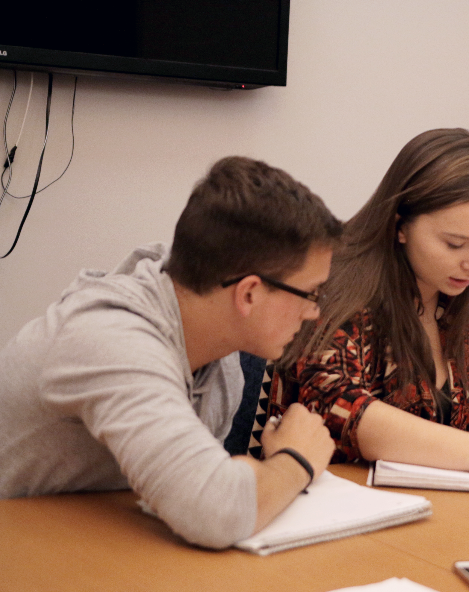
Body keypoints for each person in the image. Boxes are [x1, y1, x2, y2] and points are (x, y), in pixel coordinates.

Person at [0, 157, 342, 549]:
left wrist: (240, 483)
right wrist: (297, 459)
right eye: (310, 293)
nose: (314, 312)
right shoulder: (113, 339)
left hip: (86, 547)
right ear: (248, 293)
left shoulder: (219, 348)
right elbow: (215, 511)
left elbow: (212, 487)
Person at [271, 128, 469, 479]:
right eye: (455, 244)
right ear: (401, 226)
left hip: (434, 504)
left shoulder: (465, 288)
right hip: (334, 501)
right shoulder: (334, 286)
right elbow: (341, 409)